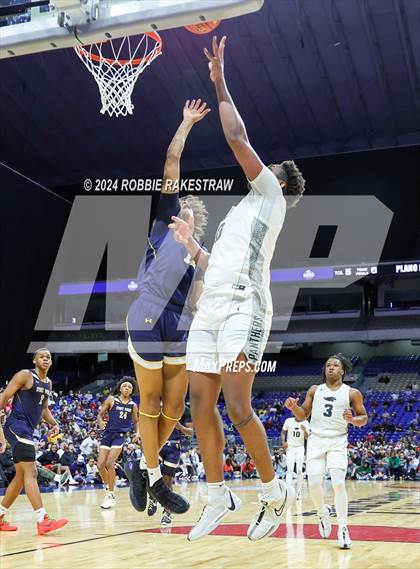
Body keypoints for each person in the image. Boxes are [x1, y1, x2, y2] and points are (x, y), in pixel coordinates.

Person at [169, 36, 305, 542]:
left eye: (267, 166)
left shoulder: (269, 193)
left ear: (279, 181)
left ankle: (273, 493)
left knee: (237, 405)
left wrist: (220, 78)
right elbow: (211, 266)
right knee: (199, 405)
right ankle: (217, 492)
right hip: (213, 307)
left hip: (247, 306)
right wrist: (190, 246)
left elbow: (236, 137)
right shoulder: (239, 215)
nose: (259, 165)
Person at [124, 99, 209, 515]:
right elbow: (172, 160)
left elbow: (197, 298)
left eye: (188, 213)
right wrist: (186, 122)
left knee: (176, 407)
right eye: (180, 210)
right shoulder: (163, 223)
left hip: (179, 324)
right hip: (147, 310)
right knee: (153, 402)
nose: (182, 214)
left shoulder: (198, 251)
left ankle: (139, 464)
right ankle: (155, 477)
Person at [285, 354, 368, 549]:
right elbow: (302, 415)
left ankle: (343, 528)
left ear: (342, 371)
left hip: (338, 440)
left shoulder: (352, 393)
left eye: (335, 365)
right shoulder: (315, 390)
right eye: (328, 365)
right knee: (313, 485)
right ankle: (322, 513)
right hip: (315, 440)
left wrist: (352, 420)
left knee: (339, 483)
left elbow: (363, 417)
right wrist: (294, 407)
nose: (330, 367)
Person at [0, 349, 68, 534]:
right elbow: (4, 396)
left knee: (21, 477)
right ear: (34, 359)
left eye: (48, 357)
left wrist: (54, 423)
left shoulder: (48, 383)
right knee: (32, 471)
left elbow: (44, 409)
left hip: (27, 431)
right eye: (42, 356)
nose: (46, 359)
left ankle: (0, 516)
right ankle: (42, 519)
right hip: (15, 426)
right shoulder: (25, 375)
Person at [97, 377, 139, 509]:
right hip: (107, 434)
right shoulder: (111, 399)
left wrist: (137, 433)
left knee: (109, 463)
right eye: (125, 386)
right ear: (120, 388)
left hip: (120, 436)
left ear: (132, 391)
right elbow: (99, 414)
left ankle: (111, 494)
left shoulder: (133, 405)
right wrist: (101, 422)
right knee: (100, 465)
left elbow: (136, 421)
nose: (127, 388)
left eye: (130, 387)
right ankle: (108, 485)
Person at [147, 420, 193, 526]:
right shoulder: (155, 407)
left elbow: (192, 432)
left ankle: (167, 513)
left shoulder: (183, 409)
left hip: (173, 448)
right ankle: (153, 498)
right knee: (151, 477)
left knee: (167, 482)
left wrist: (180, 427)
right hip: (156, 445)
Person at [281, 415, 310, 500]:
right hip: (290, 448)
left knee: (299, 470)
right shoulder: (288, 420)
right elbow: (283, 432)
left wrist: (304, 430)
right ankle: (288, 492)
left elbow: (307, 437)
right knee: (289, 469)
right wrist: (283, 442)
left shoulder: (305, 422)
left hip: (300, 448)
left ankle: (299, 492)